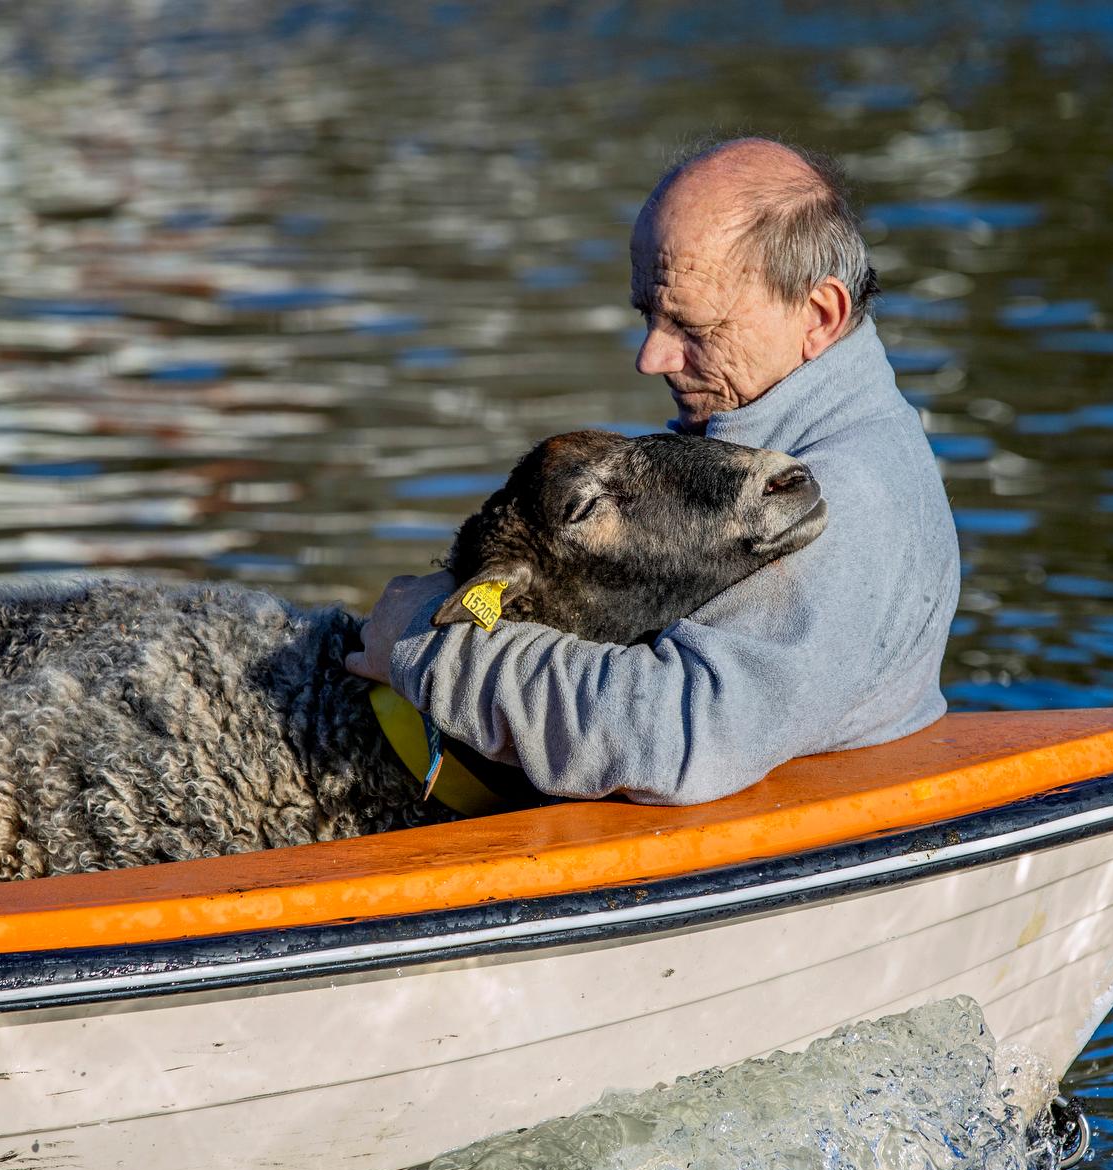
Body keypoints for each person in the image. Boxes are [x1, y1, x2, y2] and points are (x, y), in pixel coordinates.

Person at [344, 136, 960, 806]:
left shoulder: (830, 498)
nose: (652, 356)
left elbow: (677, 735)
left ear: (819, 314)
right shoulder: (850, 431)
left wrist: (421, 644)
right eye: (649, 315)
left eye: (693, 327)